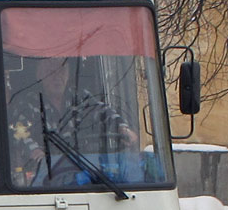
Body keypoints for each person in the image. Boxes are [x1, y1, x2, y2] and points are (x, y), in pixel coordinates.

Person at [9, 57, 138, 183]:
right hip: (45, 176)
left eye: (62, 71)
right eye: (51, 71)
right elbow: (20, 135)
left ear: (69, 74)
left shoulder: (79, 98)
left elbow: (102, 111)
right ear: (39, 75)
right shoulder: (27, 104)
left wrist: (122, 128)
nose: (57, 77)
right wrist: (37, 153)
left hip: (84, 170)